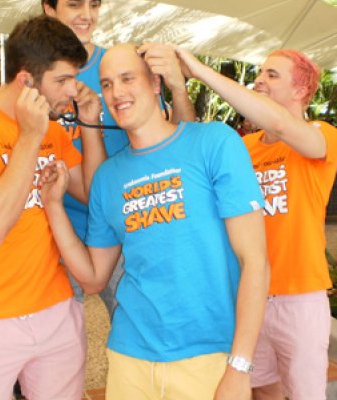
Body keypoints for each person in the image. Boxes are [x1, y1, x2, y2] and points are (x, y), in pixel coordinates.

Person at [41, 43, 269, 400]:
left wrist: (240, 366)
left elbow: (254, 261)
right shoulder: (107, 178)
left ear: (155, 84)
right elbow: (93, 277)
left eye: (127, 78)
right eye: (108, 83)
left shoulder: (214, 143)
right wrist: (53, 206)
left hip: (208, 353)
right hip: (130, 355)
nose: (117, 92)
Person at [0, 15, 104, 400]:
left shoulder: (53, 128)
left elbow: (93, 194)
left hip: (55, 308)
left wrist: (91, 127)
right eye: (62, 80)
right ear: (26, 81)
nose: (73, 90)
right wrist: (30, 136)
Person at [160, 44, 337, 400]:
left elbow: (279, 122)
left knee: (305, 393)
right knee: (258, 390)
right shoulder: (244, 146)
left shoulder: (322, 134)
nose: (258, 81)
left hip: (299, 296)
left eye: (272, 75)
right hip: (247, 294)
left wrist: (200, 71)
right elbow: (189, 149)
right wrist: (178, 87)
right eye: (259, 74)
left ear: (301, 90)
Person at [41, 0, 196, 315]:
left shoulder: (117, 66)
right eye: (74, 5)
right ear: (49, 9)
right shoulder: (35, 76)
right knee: (59, 345)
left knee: (143, 322)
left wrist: (179, 91)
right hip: (57, 231)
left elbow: (181, 140)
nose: (87, 15)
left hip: (126, 224)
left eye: (94, 5)